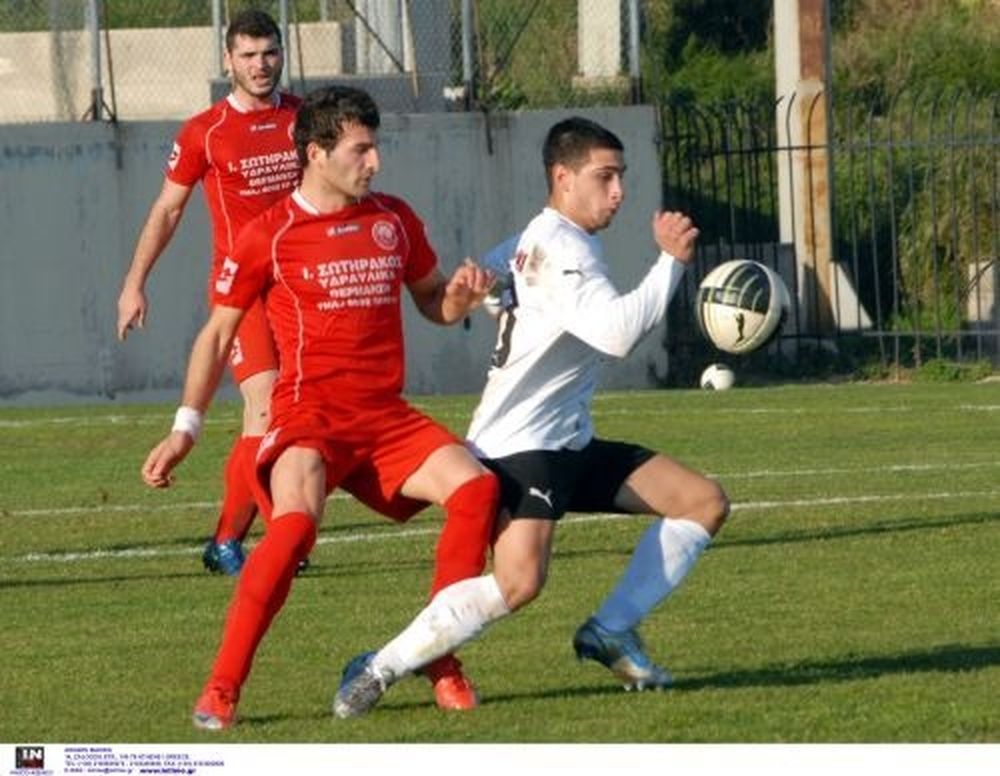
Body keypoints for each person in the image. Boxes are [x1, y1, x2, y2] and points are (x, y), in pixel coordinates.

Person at [333, 116, 729, 717]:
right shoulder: (565, 250)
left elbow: (496, 280)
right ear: (563, 178)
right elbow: (619, 334)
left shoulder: (538, 238)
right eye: (606, 177)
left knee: (702, 502)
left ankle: (612, 630)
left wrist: (480, 290)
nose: (619, 191)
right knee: (519, 584)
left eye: (621, 176)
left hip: (568, 441)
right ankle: (379, 665)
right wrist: (670, 263)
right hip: (523, 450)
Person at [140, 85, 499, 730]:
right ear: (317, 153)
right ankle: (221, 689)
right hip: (308, 416)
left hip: (385, 416)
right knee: (295, 528)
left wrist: (462, 299)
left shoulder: (393, 218)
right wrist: (184, 429)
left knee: (477, 491)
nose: (375, 162)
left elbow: (433, 303)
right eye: (362, 149)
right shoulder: (269, 233)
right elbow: (217, 334)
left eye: (375, 147)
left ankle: (440, 659)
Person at [118, 10, 300, 576]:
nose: (260, 64)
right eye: (248, 55)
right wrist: (134, 282)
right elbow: (168, 209)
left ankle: (237, 538)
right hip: (240, 292)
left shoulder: (304, 117)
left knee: (290, 416)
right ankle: (258, 539)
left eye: (268, 52)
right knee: (265, 406)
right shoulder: (206, 131)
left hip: (299, 286)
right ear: (228, 62)